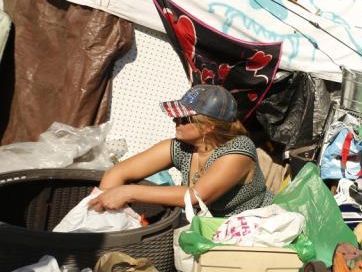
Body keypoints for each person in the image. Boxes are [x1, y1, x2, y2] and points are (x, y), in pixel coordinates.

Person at [89, 84, 273, 217]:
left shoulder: (239, 150)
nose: (175, 122)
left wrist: (128, 192)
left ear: (208, 127)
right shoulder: (180, 146)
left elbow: (197, 196)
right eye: (176, 117)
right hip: (206, 226)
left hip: (252, 228)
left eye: (183, 120)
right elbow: (119, 171)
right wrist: (99, 208)